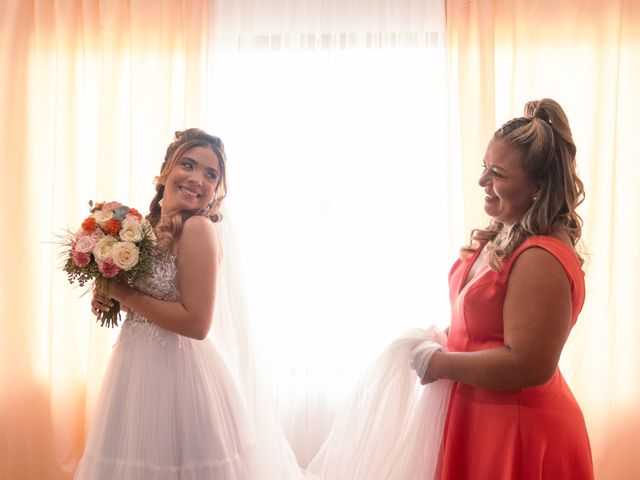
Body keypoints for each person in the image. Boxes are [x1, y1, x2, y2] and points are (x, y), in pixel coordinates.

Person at [75, 129, 275, 479]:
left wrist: (123, 294)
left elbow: (197, 324)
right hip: (133, 367)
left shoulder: (198, 229)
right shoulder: (142, 228)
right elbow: (150, 298)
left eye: (211, 175)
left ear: (217, 189)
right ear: (167, 168)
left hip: (178, 376)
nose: (198, 179)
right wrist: (110, 298)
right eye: (189, 164)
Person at [418, 99, 594, 479]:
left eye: (497, 173)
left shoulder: (541, 257)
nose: (483, 181)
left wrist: (438, 364)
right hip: (479, 418)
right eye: (485, 168)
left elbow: (528, 364)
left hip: (518, 430)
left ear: (537, 188)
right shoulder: (503, 234)